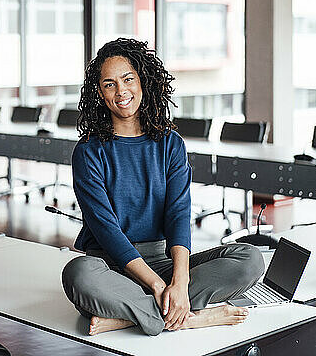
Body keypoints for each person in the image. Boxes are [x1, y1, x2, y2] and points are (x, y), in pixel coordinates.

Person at [62, 38, 264, 336]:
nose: (121, 91)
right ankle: (193, 317)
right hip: (112, 267)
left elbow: (178, 213)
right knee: (78, 273)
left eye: (128, 79)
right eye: (109, 84)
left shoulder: (170, 144)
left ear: (144, 81)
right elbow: (105, 229)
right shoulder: (89, 150)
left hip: (163, 261)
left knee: (250, 259)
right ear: (99, 93)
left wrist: (179, 281)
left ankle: (132, 317)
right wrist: (158, 285)